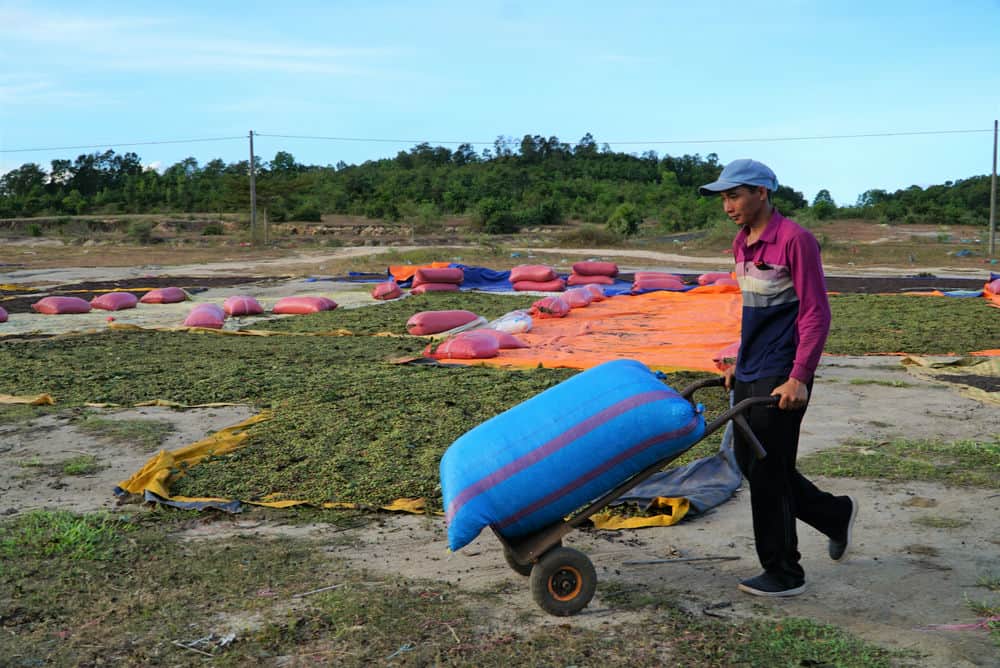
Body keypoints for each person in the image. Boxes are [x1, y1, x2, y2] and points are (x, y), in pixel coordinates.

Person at [699, 159, 858, 597]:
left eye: (734, 196)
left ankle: (785, 572)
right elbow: (755, 312)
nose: (727, 205)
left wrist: (800, 376)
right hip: (751, 366)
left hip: (783, 371)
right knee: (752, 463)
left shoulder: (795, 240)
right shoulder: (741, 242)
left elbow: (816, 312)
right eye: (723, 198)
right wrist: (738, 360)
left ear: (762, 193)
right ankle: (833, 515)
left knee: (769, 469)